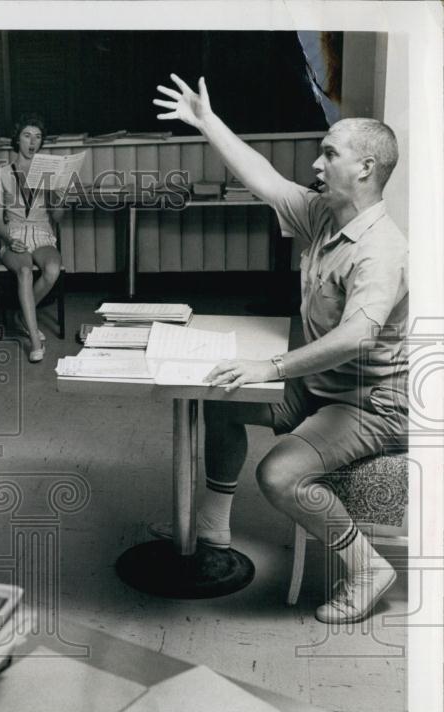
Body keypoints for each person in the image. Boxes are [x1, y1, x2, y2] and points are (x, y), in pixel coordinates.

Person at [152, 74, 407, 624]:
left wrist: (270, 365)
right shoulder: (322, 215)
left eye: (329, 154)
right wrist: (206, 121)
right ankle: (212, 529)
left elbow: (358, 337)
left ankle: (368, 567)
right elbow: (263, 177)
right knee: (218, 397)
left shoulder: (381, 249)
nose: (316, 165)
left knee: (278, 474)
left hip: (370, 403)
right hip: (317, 387)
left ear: (365, 168)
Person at [0, 114, 67, 363]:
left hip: (43, 234)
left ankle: (23, 317)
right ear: (17, 139)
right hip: (14, 236)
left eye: (37, 137)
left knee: (53, 269)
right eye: (26, 135)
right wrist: (9, 240)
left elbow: (58, 217)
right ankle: (34, 339)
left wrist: (61, 194)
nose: (32, 142)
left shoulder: (49, 172)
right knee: (24, 271)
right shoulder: (0, 174)